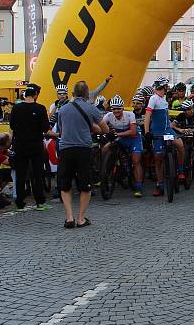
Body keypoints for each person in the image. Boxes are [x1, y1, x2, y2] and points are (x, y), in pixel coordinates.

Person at [57, 81, 108, 228]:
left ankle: (69, 218)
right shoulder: (91, 108)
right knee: (85, 185)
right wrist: (93, 127)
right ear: (87, 94)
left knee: (65, 185)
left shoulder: (63, 109)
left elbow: (61, 129)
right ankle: (81, 219)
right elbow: (104, 129)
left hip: (66, 149)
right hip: (83, 149)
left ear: (72, 94)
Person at [9, 84, 51, 211]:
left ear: (24, 95)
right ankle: (40, 202)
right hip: (36, 145)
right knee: (38, 174)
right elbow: (45, 128)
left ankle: (20, 203)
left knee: (21, 173)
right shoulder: (40, 108)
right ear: (35, 95)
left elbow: (11, 125)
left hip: (20, 145)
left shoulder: (16, 108)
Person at [144, 77, 186, 197]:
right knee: (158, 159)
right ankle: (160, 185)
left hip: (167, 130)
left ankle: (181, 170)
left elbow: (166, 115)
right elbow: (148, 115)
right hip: (157, 132)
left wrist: (172, 125)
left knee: (180, 144)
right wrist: (147, 132)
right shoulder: (153, 98)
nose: (165, 90)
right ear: (161, 87)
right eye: (164, 88)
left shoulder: (164, 99)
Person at [103, 95, 144, 197]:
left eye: (118, 109)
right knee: (105, 148)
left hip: (133, 138)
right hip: (121, 137)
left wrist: (117, 134)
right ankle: (105, 170)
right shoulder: (108, 116)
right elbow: (101, 126)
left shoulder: (130, 115)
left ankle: (138, 187)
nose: (116, 111)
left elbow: (133, 131)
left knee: (136, 161)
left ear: (123, 108)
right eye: (114, 109)